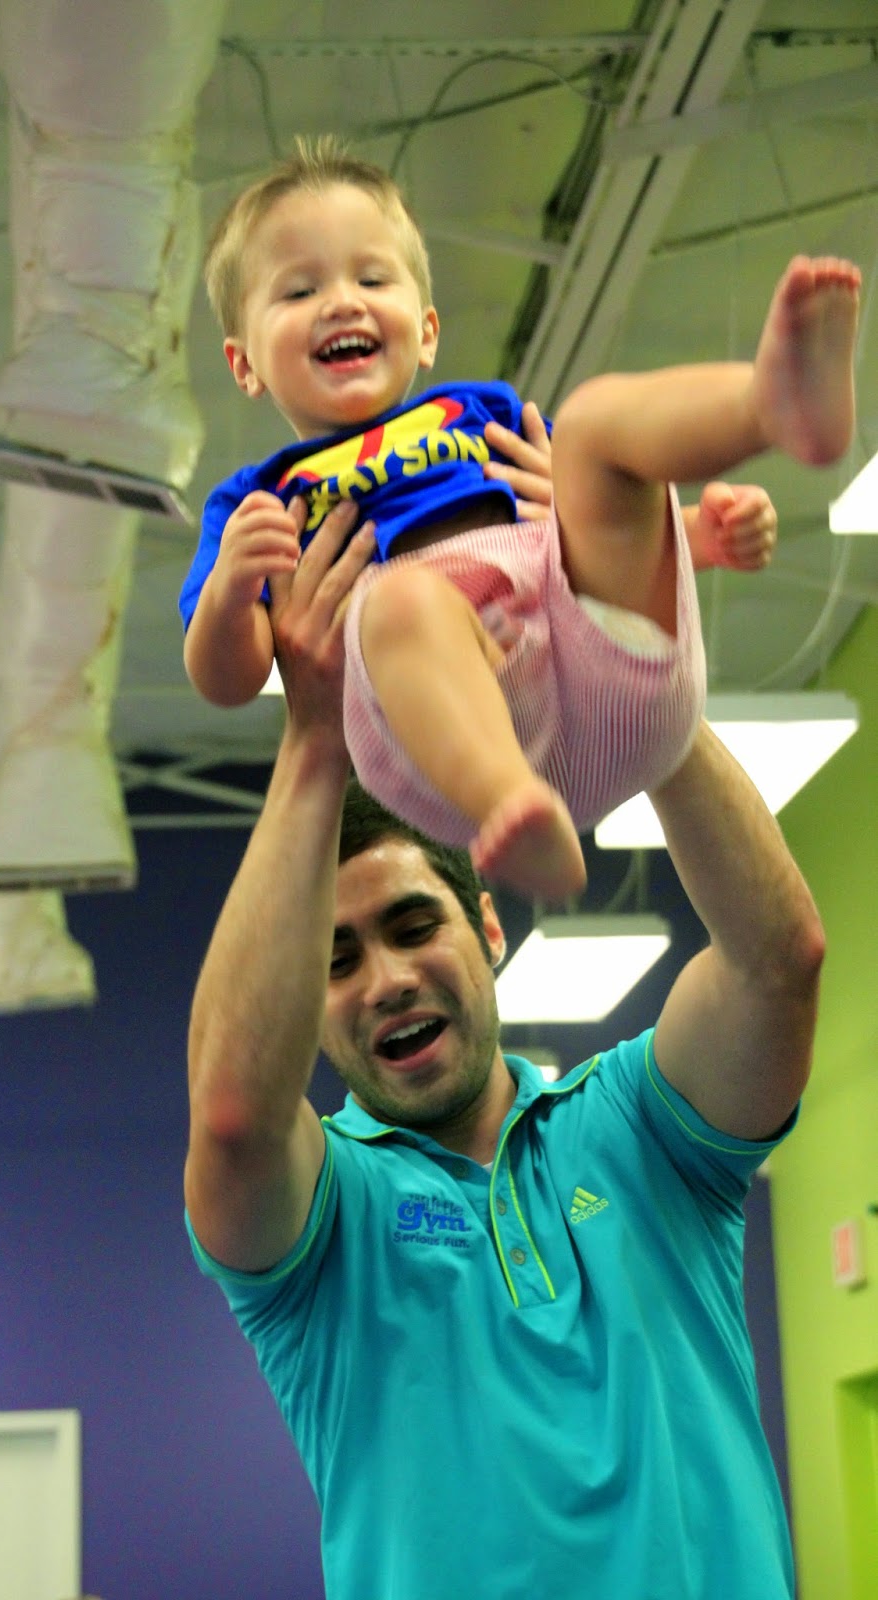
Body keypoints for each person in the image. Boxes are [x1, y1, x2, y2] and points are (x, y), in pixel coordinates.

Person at [183, 494, 826, 1600]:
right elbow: (235, 1121)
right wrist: (313, 740)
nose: (387, 979)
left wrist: (616, 639)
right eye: (335, 960)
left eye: (412, 925)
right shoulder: (327, 1217)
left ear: (487, 926)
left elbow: (780, 963)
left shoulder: (641, 1129)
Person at [179, 138, 860, 901]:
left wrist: (701, 533)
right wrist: (230, 591)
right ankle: (512, 803)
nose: (342, 301)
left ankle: (767, 408)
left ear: (427, 330)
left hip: (599, 663)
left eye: (372, 278)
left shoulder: (481, 411)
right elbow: (226, 679)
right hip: (452, 734)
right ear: (244, 364)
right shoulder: (257, 501)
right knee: (401, 601)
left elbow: (600, 519)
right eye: (299, 291)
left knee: (591, 421)